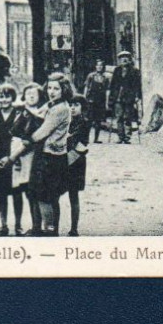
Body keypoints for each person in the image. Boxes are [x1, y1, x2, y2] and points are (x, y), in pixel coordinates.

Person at [4, 73, 72, 236]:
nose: (52, 91)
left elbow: (39, 134)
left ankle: (49, 231)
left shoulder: (59, 109)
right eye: (49, 88)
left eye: (56, 88)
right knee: (49, 196)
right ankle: (49, 229)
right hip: (52, 156)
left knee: (44, 196)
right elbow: (38, 112)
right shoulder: (54, 105)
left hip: (50, 157)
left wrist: (15, 153)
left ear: (64, 89)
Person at [0, 82, 25, 236]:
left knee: (17, 193)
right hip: (0, 161)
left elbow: (23, 139)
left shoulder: (20, 116)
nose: (4, 100)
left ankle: (18, 225)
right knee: (2, 194)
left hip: (15, 159)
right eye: (1, 97)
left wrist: (13, 156)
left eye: (7, 96)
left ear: (13, 98)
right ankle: (3, 225)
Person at [13, 82, 45, 236]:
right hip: (24, 155)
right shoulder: (21, 113)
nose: (31, 96)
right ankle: (35, 224)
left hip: (38, 155)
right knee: (28, 190)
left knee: (38, 191)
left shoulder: (43, 113)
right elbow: (15, 132)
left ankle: (41, 225)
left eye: (34, 93)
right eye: (28, 93)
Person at [66, 95, 90, 236]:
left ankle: (74, 228)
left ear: (82, 107)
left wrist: (69, 158)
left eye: (76, 105)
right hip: (63, 159)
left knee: (73, 195)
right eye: (70, 105)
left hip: (76, 161)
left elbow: (82, 144)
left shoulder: (84, 122)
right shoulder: (66, 121)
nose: (72, 108)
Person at [108, 51, 142, 144]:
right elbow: (113, 85)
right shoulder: (117, 70)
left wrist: (137, 96)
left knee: (127, 117)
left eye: (126, 57)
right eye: (122, 57)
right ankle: (120, 137)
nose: (124, 59)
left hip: (129, 97)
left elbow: (137, 85)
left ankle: (127, 137)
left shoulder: (134, 71)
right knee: (119, 117)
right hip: (118, 97)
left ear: (130, 59)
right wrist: (111, 97)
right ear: (119, 60)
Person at [83, 59, 108, 143]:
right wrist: (84, 98)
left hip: (100, 101)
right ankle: (86, 138)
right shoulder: (91, 76)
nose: (99, 67)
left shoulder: (105, 77)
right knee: (89, 120)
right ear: (95, 66)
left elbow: (107, 90)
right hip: (91, 100)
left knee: (98, 121)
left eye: (101, 65)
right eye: (98, 65)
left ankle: (96, 139)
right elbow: (86, 87)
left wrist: (106, 102)